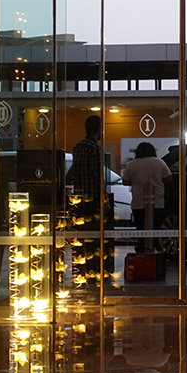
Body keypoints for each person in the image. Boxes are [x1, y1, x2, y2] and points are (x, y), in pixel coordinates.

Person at [68, 114, 114, 288]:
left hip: (79, 198)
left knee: (81, 236)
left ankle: (81, 270)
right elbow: (97, 175)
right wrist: (104, 199)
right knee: (95, 237)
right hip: (92, 198)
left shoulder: (77, 147)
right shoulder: (94, 148)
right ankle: (96, 271)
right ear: (98, 129)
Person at [122, 141, 171, 253]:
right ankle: (156, 247)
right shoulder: (159, 163)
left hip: (138, 202)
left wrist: (136, 182)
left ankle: (143, 248)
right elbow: (168, 178)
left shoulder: (133, 164)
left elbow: (125, 181)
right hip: (157, 202)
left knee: (141, 228)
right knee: (156, 227)